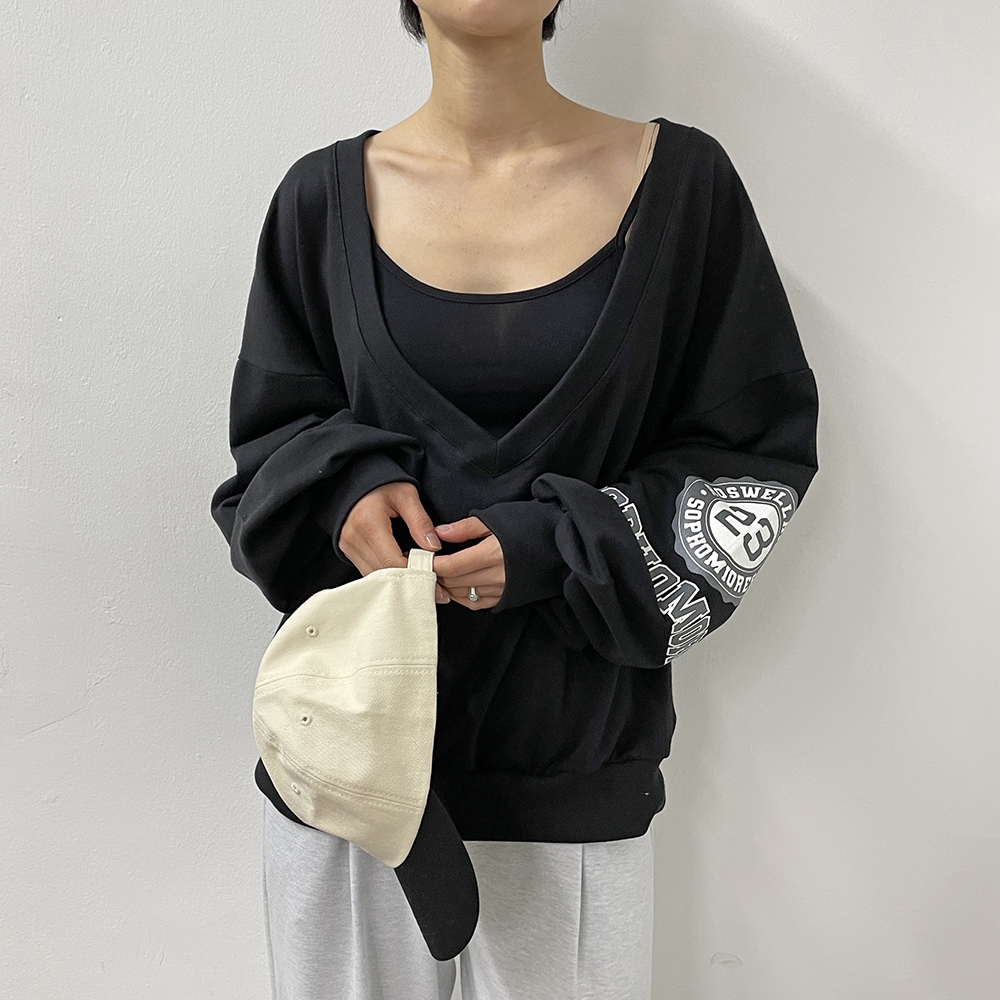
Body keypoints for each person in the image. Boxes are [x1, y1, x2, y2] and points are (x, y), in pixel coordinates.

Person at [209, 1, 821, 998]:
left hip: (569, 766)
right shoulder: (319, 202)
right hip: (348, 767)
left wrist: (554, 547)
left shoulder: (685, 189)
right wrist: (344, 487)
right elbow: (268, 441)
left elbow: (753, 456)